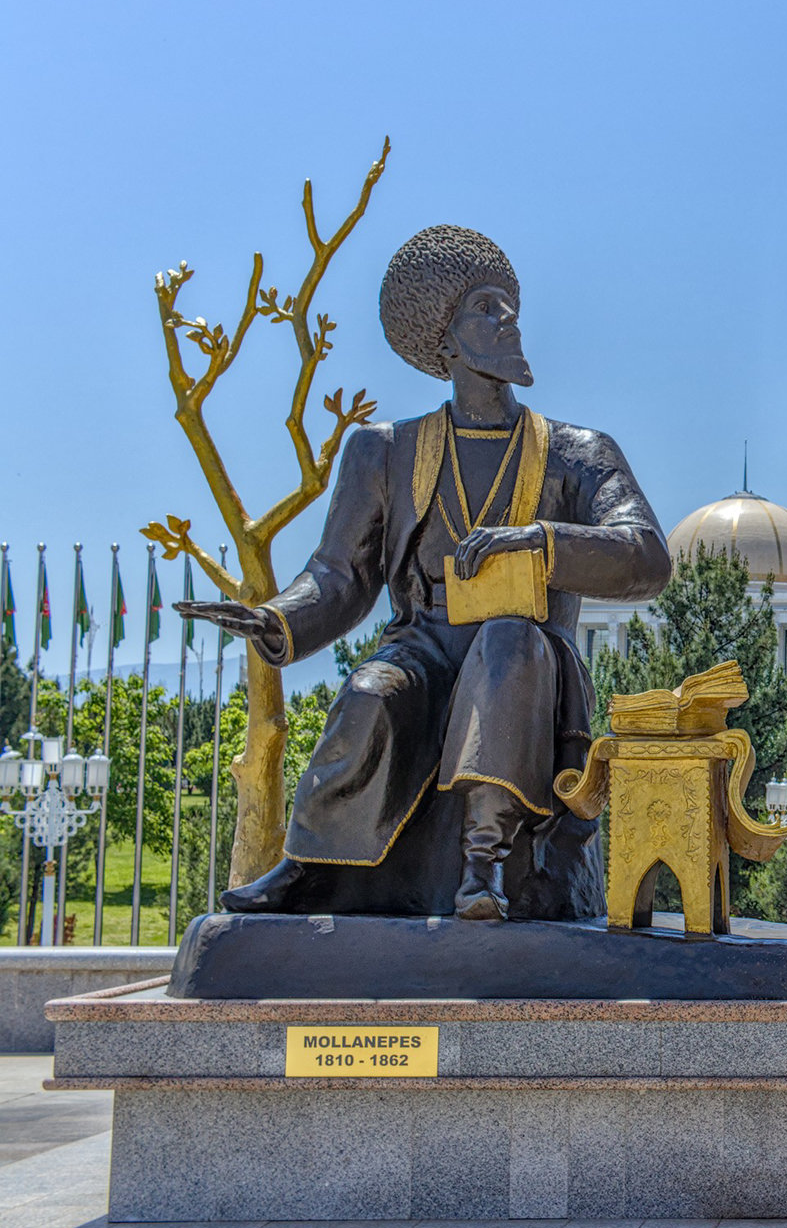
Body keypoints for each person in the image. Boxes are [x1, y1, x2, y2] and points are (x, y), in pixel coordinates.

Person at [179, 225, 671, 921]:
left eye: (510, 303)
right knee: (371, 689)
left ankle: (484, 868)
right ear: (444, 342)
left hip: (526, 656)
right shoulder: (383, 451)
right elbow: (339, 574)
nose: (509, 319)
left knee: (506, 640)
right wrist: (280, 618)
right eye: (485, 307)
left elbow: (647, 553)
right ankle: (312, 866)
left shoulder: (575, 453)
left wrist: (541, 540)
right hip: (427, 647)